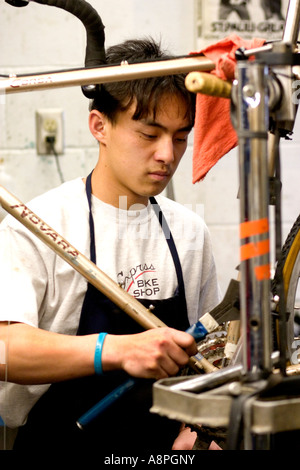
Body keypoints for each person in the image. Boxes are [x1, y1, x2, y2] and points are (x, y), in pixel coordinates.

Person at [0, 38, 221, 451]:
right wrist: (115, 350)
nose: (166, 155)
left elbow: (210, 357)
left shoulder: (190, 232)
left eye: (179, 137)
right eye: (149, 134)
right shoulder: (38, 225)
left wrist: (201, 429)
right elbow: (4, 350)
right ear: (99, 126)